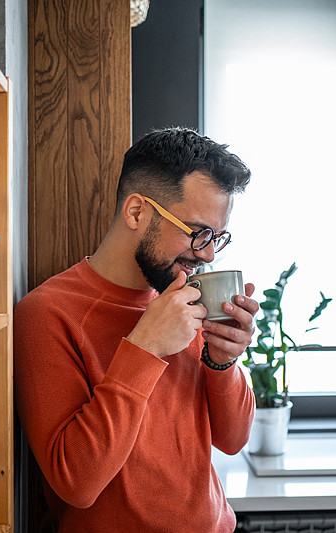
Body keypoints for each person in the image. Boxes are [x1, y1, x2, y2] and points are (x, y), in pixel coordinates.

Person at [14, 127, 258, 532]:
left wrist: (223, 361)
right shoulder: (47, 313)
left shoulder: (189, 297)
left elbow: (232, 440)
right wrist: (144, 348)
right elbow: (76, 483)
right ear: (136, 212)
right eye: (197, 232)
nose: (208, 254)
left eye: (217, 237)